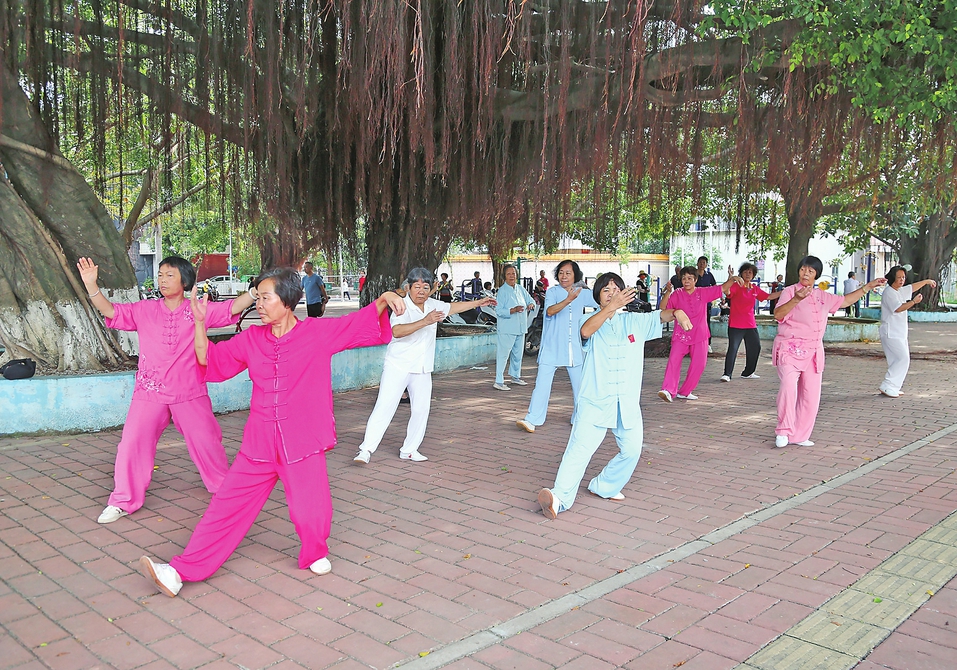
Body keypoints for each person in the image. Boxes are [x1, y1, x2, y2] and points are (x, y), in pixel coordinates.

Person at [138, 268, 405, 597]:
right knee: (225, 507)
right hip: (259, 443)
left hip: (303, 440)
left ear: (288, 301)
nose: (259, 305)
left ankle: (315, 552)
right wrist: (199, 323)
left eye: (266, 298)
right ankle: (179, 571)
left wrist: (384, 298)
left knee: (311, 512)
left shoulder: (317, 333)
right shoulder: (252, 339)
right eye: (258, 298)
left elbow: (357, 324)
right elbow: (208, 358)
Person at [76, 256, 254, 524]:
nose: (162, 280)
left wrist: (255, 292)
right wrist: (91, 285)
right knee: (131, 444)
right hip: (150, 392)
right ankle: (123, 500)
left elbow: (232, 307)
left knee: (207, 441)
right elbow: (111, 311)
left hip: (189, 391)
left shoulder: (198, 308)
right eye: (160, 275)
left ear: (185, 280)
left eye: (169, 275)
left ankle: (223, 489)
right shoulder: (144, 309)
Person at [537, 274, 690, 519]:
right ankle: (559, 499)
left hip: (626, 402)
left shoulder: (634, 321)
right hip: (595, 399)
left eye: (616, 289)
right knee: (579, 449)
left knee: (631, 450)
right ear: (598, 296)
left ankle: (604, 486)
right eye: (606, 290)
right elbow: (586, 331)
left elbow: (662, 315)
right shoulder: (589, 319)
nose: (612, 293)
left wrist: (678, 313)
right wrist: (611, 307)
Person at [354, 268, 496, 463]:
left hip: (422, 367)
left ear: (431, 289)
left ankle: (409, 449)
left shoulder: (433, 305)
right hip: (398, 365)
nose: (421, 291)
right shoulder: (402, 304)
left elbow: (453, 307)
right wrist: (425, 321)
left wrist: (478, 302)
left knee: (421, 410)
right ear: (409, 288)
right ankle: (366, 450)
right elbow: (397, 331)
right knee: (384, 407)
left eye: (425, 287)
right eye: (417, 287)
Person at [772, 255, 885, 447]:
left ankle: (799, 435)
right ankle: (784, 430)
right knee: (788, 387)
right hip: (790, 348)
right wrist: (797, 299)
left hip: (814, 351)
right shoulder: (789, 292)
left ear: (816, 275)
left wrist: (867, 287)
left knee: (810, 394)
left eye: (810, 271)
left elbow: (845, 301)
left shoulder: (822, 296)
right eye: (803, 269)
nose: (805, 273)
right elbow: (778, 314)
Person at [516, 260, 598, 432]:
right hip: (551, 347)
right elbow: (550, 311)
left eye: (568, 273)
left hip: (574, 349)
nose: (564, 276)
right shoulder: (552, 292)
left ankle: (580, 417)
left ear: (575, 275)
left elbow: (601, 301)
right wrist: (569, 299)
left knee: (580, 387)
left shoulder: (582, 293)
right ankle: (532, 419)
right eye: (561, 272)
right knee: (541, 385)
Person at [658, 266, 742, 401]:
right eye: (684, 278)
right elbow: (663, 309)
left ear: (695, 280)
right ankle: (668, 390)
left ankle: (685, 392)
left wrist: (732, 279)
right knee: (674, 361)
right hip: (681, 335)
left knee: (699, 365)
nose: (686, 281)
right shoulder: (677, 294)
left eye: (690, 278)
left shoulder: (703, 292)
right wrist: (668, 292)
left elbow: (721, 288)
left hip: (700, 335)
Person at [878, 266, 937, 398]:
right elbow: (898, 308)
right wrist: (913, 302)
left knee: (897, 359)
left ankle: (893, 386)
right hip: (890, 332)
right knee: (903, 358)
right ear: (892, 278)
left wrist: (927, 281)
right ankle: (888, 385)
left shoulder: (899, 291)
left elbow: (912, 287)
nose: (902, 280)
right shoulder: (889, 292)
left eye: (903, 277)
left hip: (899, 332)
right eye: (899, 277)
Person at [721, 262, 782, 382]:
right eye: (745, 272)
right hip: (736, 324)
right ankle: (727, 374)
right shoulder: (736, 286)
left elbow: (768, 296)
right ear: (741, 274)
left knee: (755, 347)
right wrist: (730, 278)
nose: (748, 274)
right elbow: (726, 291)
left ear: (753, 275)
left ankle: (748, 372)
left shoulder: (754, 288)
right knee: (733, 348)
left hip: (750, 325)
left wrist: (784, 292)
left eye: (750, 272)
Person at [493, 264, 536, 390]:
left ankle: (515, 376)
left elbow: (531, 300)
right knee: (503, 355)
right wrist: (513, 310)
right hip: (507, 329)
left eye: (513, 273)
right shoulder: (502, 291)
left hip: (520, 328)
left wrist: (531, 305)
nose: (512, 276)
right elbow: (499, 311)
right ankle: (499, 381)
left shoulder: (520, 289)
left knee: (517, 355)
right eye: (509, 274)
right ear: (504, 276)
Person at [695, 256, 718, 352]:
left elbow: (714, 287)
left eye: (704, 263)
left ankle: (707, 344)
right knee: (693, 323)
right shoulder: (693, 274)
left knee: (706, 323)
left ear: (706, 265)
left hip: (706, 304)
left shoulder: (709, 275)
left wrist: (712, 298)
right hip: (694, 304)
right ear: (697, 263)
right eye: (700, 262)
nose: (702, 264)